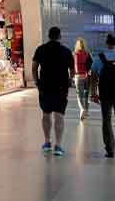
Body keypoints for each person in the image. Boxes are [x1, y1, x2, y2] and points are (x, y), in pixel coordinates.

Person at [31, 26, 74, 156]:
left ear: (48, 36)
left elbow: (34, 67)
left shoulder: (41, 49)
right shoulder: (66, 51)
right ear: (59, 36)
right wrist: (69, 81)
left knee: (46, 114)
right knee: (59, 115)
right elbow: (72, 71)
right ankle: (58, 145)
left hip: (45, 86)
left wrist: (36, 81)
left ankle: (47, 142)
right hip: (61, 88)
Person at [73, 37, 92, 121]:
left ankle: (82, 109)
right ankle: (86, 111)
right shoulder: (87, 54)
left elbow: (72, 67)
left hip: (78, 77)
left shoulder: (75, 54)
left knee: (79, 95)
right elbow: (91, 64)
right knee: (87, 95)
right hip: (86, 76)